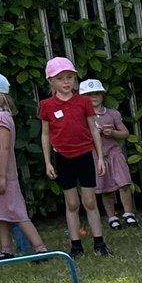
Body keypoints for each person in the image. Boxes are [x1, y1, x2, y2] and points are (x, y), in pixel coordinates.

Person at [0, 71, 49, 258]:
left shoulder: (2, 118)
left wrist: (2, 176)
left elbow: (5, 149)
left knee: (17, 213)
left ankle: (40, 248)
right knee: (0, 215)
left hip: (3, 175)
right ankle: (7, 250)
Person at [38, 56, 108, 257]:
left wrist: (100, 156)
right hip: (63, 157)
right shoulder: (47, 105)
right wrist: (47, 161)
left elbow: (93, 129)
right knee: (72, 203)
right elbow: (45, 134)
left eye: (69, 77)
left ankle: (99, 243)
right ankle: (75, 245)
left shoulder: (83, 102)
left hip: (85, 155)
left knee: (90, 201)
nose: (66, 82)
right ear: (51, 81)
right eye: (61, 79)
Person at [80, 79, 137, 229]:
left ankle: (128, 214)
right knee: (105, 188)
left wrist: (112, 133)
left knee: (123, 182)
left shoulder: (112, 114)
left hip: (114, 153)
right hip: (96, 156)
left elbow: (125, 133)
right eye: (89, 95)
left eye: (97, 94)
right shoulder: (82, 117)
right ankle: (112, 217)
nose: (94, 97)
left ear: (102, 95)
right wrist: (94, 133)